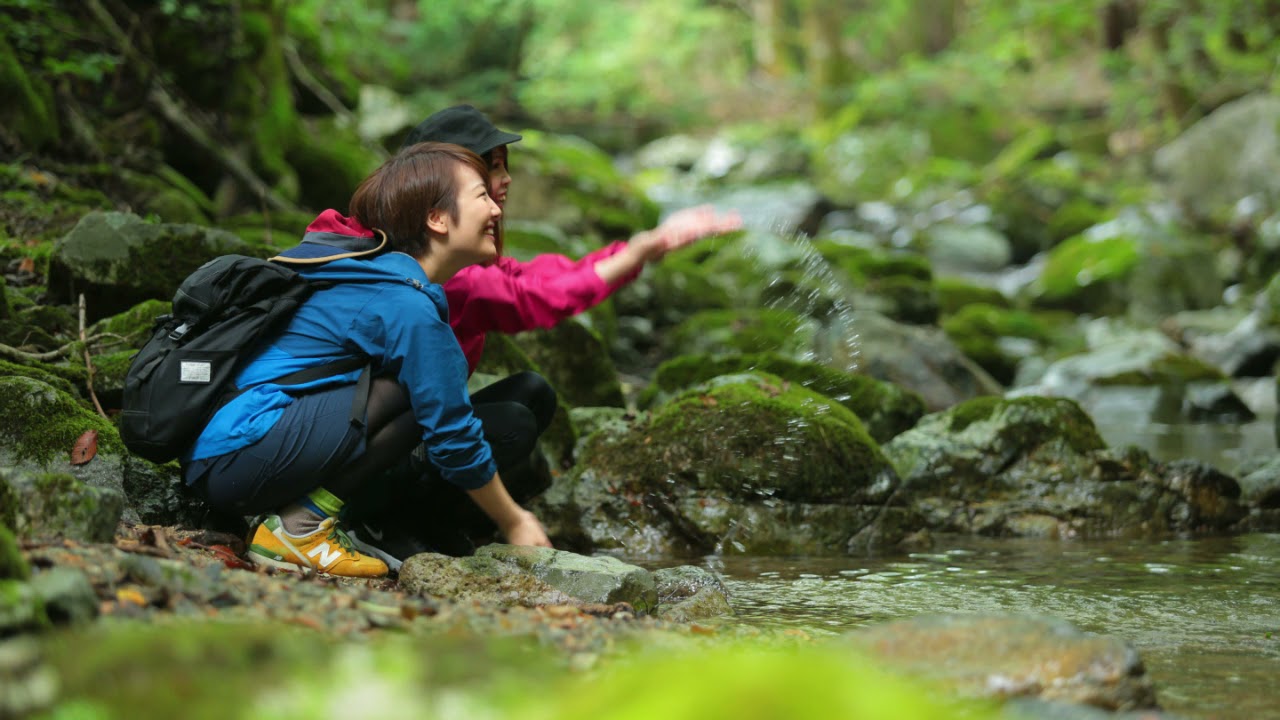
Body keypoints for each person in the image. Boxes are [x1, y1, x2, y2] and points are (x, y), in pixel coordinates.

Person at [298, 105, 743, 563]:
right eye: (489, 168)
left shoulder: (402, 240)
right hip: (351, 450)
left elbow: (531, 276)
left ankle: (428, 518)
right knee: (512, 426)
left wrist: (640, 248)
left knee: (533, 392)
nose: (505, 180)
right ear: (437, 193)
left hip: (365, 430)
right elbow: (537, 296)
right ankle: (388, 524)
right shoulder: (439, 275)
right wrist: (644, 249)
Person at [183, 142, 551, 578]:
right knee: (423, 392)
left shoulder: (369, 274)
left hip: (224, 455)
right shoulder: (404, 305)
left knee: (428, 388)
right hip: (238, 460)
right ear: (436, 218)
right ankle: (299, 529)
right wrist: (514, 520)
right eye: (481, 196)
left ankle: (336, 520)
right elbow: (453, 434)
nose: (496, 208)